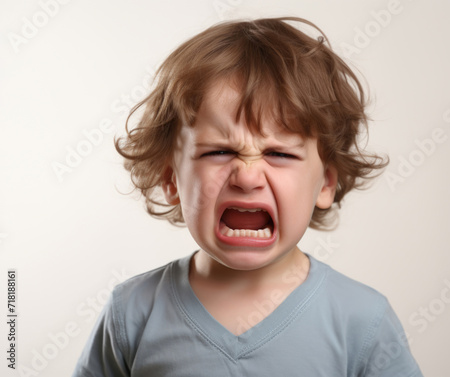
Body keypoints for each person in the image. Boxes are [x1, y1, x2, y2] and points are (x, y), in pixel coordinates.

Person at [72, 17, 424, 377]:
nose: (247, 175)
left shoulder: (362, 321)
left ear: (325, 185)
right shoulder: (131, 313)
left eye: (280, 153)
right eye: (218, 152)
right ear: (171, 180)